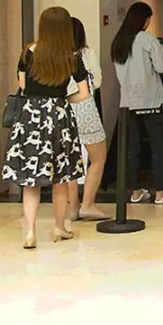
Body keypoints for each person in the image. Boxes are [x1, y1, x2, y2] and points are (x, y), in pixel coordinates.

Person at [3, 7, 90, 248]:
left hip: (31, 116)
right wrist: (62, 101)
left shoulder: (28, 52)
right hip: (59, 117)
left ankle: (30, 231)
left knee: (30, 178)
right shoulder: (72, 56)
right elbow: (84, 92)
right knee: (60, 177)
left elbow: (22, 86)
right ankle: (59, 227)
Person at [111, 2, 163, 205]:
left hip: (128, 103)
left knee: (132, 148)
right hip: (151, 101)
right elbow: (161, 66)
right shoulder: (147, 39)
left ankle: (136, 191)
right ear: (144, 19)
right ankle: (160, 192)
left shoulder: (119, 41)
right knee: (157, 147)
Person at [67, 17, 109, 221]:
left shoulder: (55, 56)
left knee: (70, 161)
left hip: (63, 110)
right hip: (85, 108)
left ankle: (73, 207)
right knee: (98, 157)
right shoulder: (86, 53)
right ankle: (88, 204)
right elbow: (97, 81)